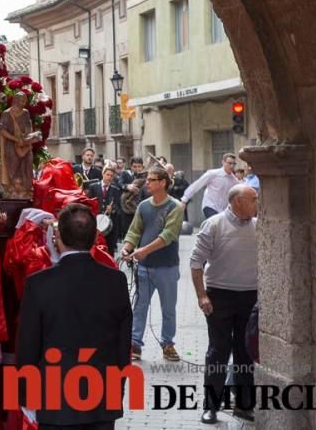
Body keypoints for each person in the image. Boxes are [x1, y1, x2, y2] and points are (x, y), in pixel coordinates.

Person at [16, 204, 132, 429]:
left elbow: (28, 347)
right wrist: (117, 389)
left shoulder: (39, 284)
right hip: (101, 397)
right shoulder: (115, 281)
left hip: (54, 399)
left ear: (57, 236)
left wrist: (25, 397)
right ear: (94, 236)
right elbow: (123, 344)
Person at [189, 184, 258, 424]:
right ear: (238, 201)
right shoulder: (214, 224)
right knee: (218, 351)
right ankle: (211, 407)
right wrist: (201, 296)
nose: (257, 203)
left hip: (250, 297)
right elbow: (196, 262)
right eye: (253, 199)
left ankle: (244, 405)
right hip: (219, 297)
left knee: (245, 353)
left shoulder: (259, 226)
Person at [121, 166, 185, 362]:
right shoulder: (143, 206)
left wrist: (143, 251)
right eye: (147, 180)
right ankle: (135, 344)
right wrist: (127, 247)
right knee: (139, 306)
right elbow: (134, 231)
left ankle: (168, 344)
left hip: (167, 267)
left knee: (168, 309)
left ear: (163, 182)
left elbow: (168, 235)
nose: (146, 183)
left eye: (151, 180)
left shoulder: (175, 207)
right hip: (144, 267)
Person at [0, 91, 36, 199]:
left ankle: (26, 187)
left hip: (24, 144)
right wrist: (15, 139)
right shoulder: (7, 113)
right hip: (11, 145)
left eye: (25, 100)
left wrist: (29, 137)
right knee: (13, 164)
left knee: (28, 160)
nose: (24, 102)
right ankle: (12, 188)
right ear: (15, 100)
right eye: (22, 100)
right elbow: (2, 130)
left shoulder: (26, 113)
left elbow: (29, 127)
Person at [181, 152, 239, 220]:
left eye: (234, 164)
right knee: (215, 223)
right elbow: (197, 184)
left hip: (223, 210)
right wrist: (184, 200)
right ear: (223, 162)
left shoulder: (234, 180)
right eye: (229, 163)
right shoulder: (213, 174)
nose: (232, 166)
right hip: (210, 206)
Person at [89, 164, 122, 255]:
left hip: (110, 226)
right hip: (96, 224)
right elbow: (89, 204)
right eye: (107, 175)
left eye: (111, 176)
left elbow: (119, 208)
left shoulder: (116, 190)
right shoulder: (93, 187)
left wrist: (113, 209)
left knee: (109, 250)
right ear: (103, 174)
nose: (109, 177)